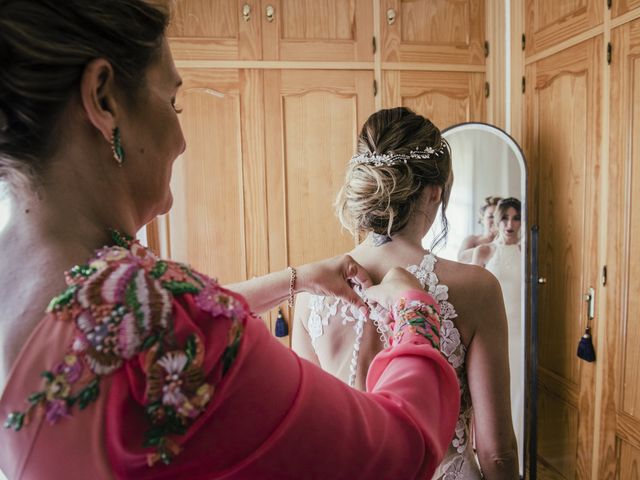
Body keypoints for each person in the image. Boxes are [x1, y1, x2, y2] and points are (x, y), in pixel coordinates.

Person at [0, 2, 461, 479]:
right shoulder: (163, 320)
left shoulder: (26, 277)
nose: (180, 139)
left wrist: (296, 280)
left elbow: (147, 322)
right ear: (103, 99)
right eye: (172, 101)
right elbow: (397, 451)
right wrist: (414, 308)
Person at [292, 107, 519, 479]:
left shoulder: (309, 295)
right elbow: (497, 452)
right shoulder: (476, 288)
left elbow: (309, 433)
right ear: (434, 192)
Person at [472, 197, 524, 473]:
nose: (511, 224)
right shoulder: (483, 253)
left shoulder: (527, 253)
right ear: (497, 220)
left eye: (516, 218)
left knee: (518, 390)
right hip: (493, 333)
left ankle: (519, 455)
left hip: (520, 334)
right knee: (494, 393)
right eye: (505, 218)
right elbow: (471, 297)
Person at [457, 196, 501, 263]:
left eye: (498, 216)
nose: (495, 220)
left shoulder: (509, 241)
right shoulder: (472, 240)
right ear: (482, 219)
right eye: (491, 216)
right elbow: (461, 258)